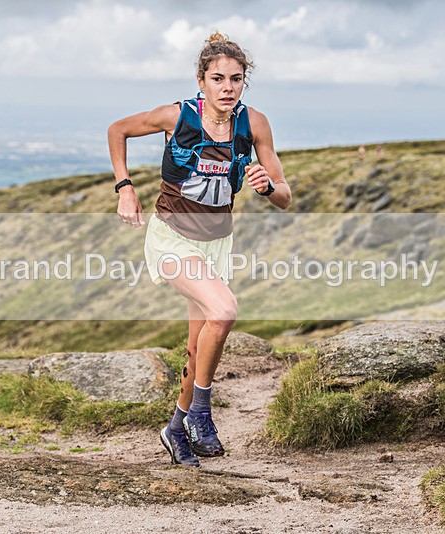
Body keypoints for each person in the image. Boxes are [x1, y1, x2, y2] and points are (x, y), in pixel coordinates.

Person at [107, 32, 291, 467]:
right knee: (224, 311)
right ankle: (202, 415)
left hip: (217, 245)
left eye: (236, 79)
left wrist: (267, 187)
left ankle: (177, 428)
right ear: (201, 81)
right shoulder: (177, 116)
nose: (228, 88)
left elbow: (285, 196)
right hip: (172, 237)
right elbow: (118, 130)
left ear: (245, 82)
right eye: (218, 79)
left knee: (200, 346)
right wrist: (125, 188)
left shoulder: (254, 124)